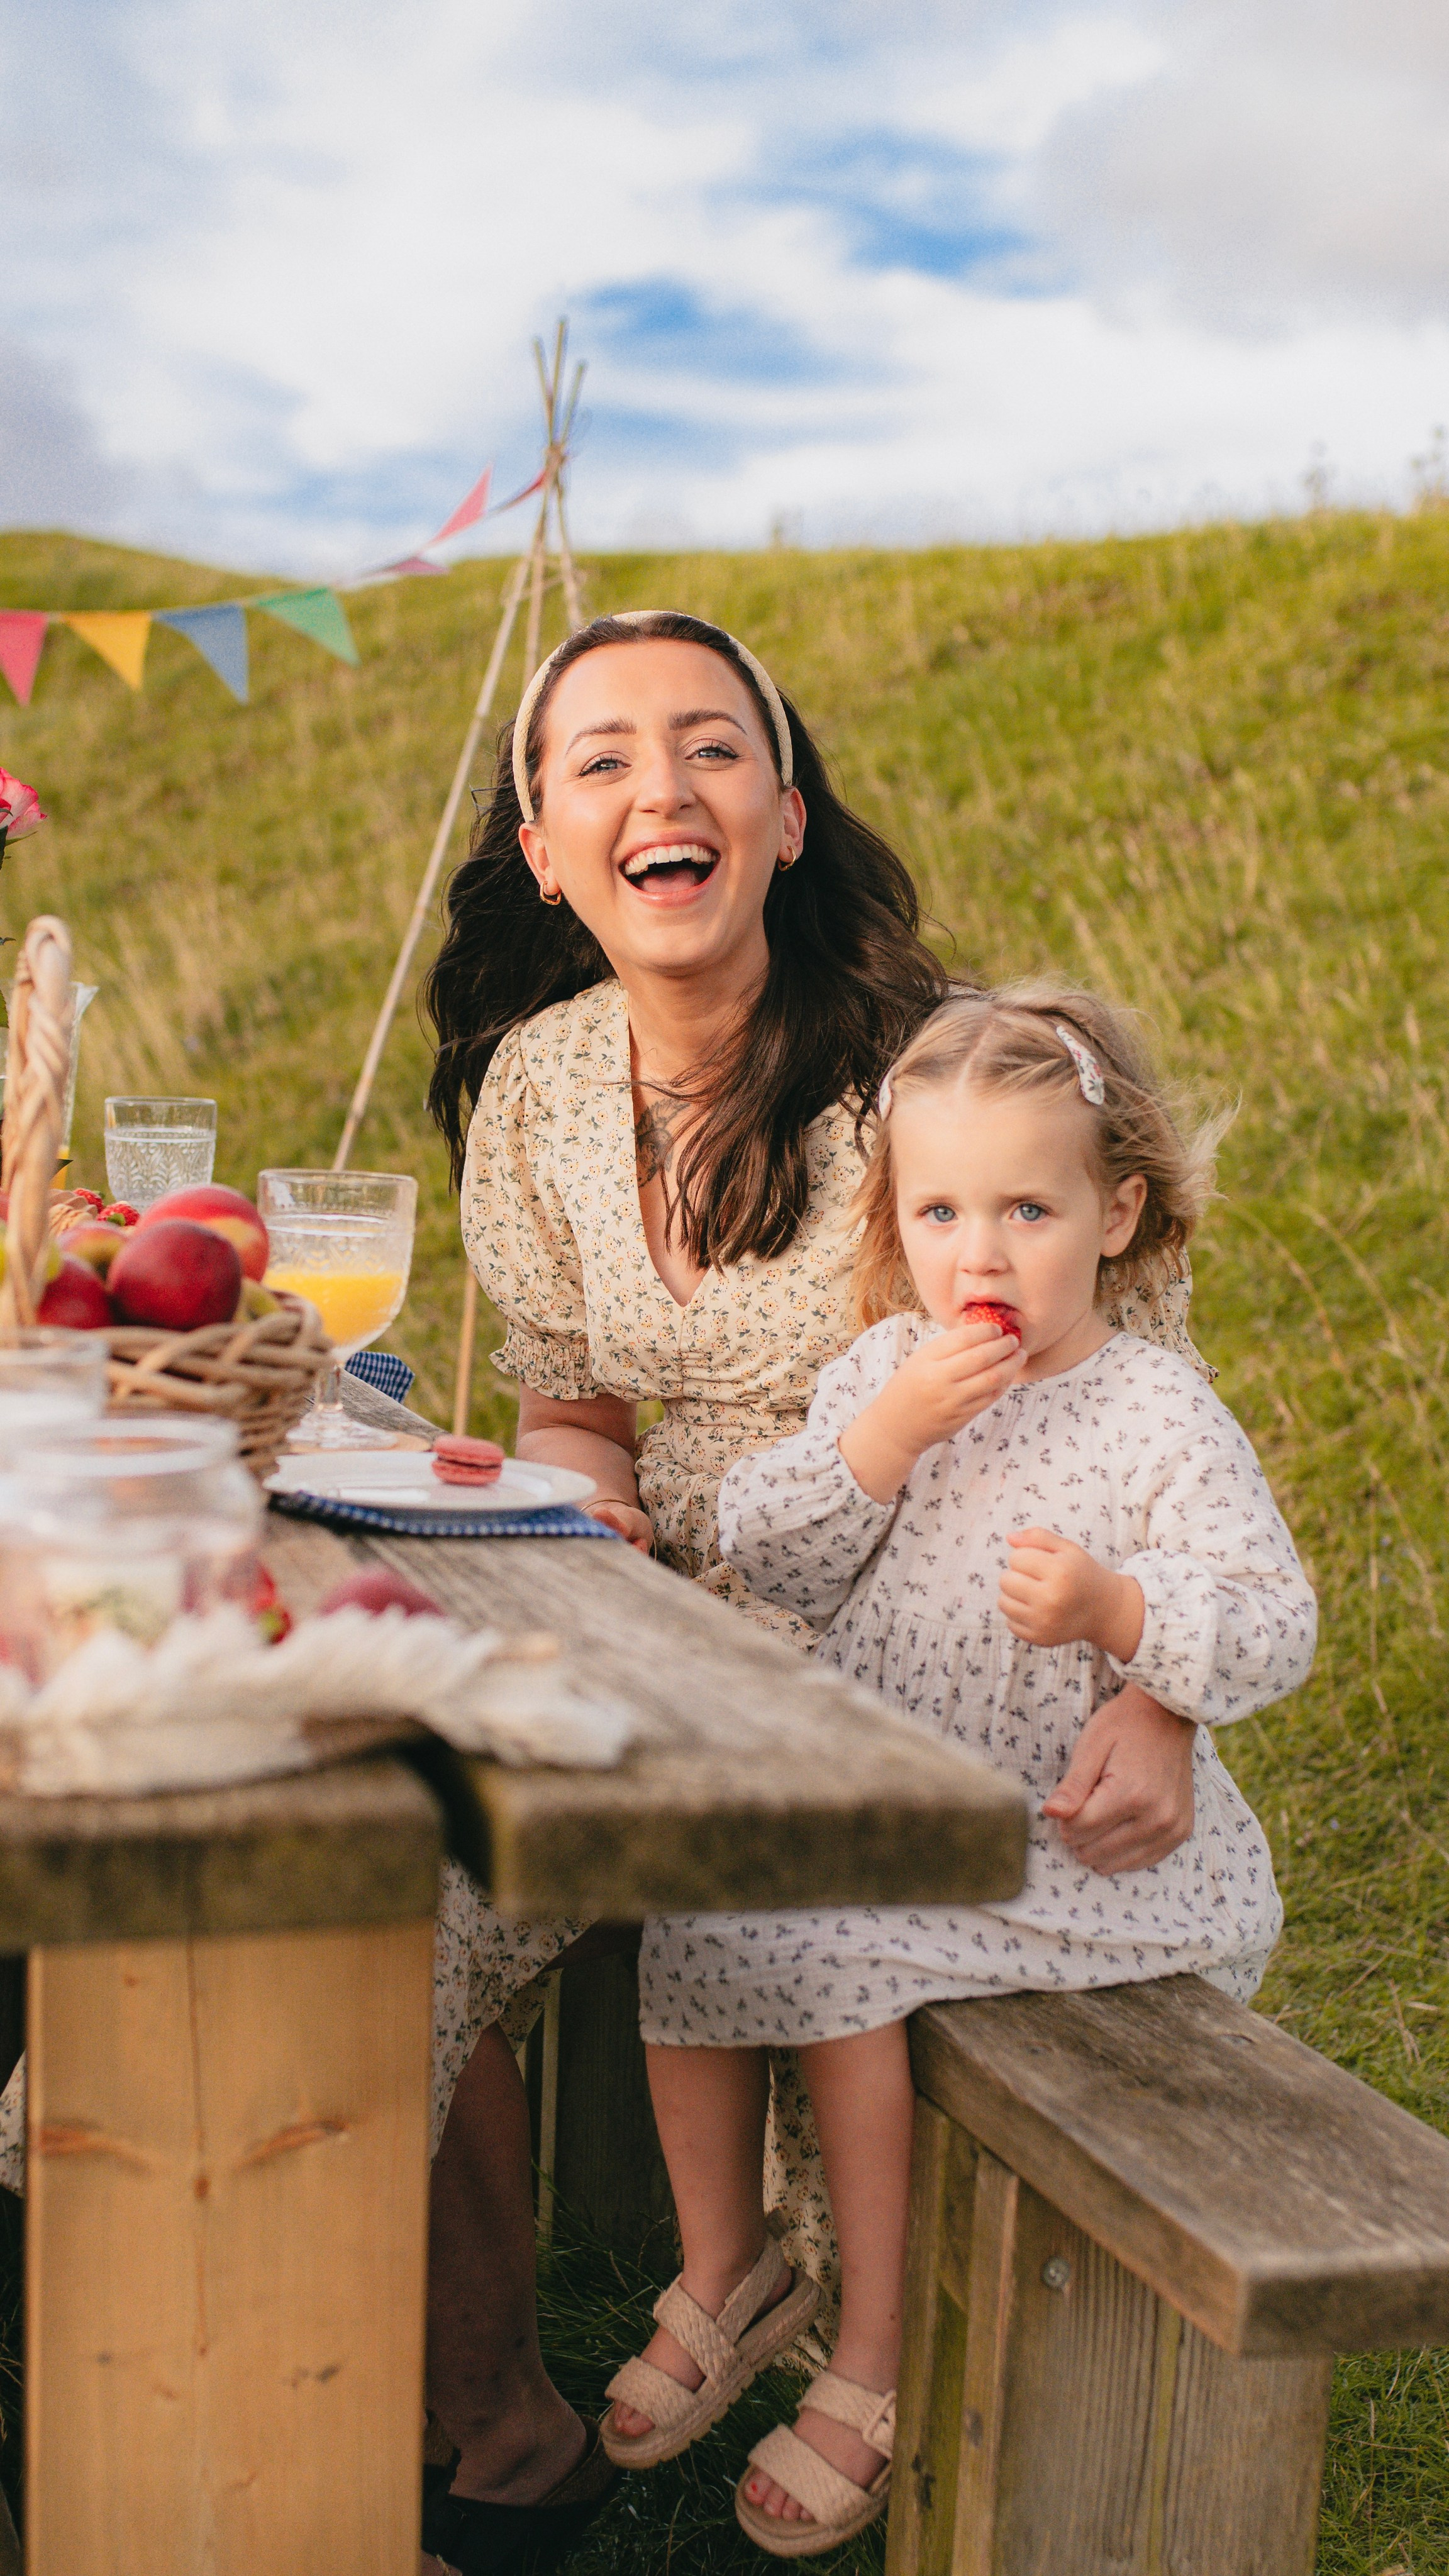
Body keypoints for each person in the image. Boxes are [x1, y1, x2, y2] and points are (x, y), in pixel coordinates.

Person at [419, 613, 1210, 2573]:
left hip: (911, 1653)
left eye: (708, 749)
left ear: (782, 812)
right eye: (599, 760)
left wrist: (1157, 1694)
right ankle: (478, 2414)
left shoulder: (932, 1082)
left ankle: (844, 2360)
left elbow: (1146, 1401)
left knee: (492, 1880)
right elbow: (573, 1402)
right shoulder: (537, 1089)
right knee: (392, 1857)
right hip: (651, 1630)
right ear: (541, 838)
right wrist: (581, 1508)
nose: (656, 790)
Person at [602, 984, 1316, 2556]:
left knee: (849, 1941)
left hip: (1074, 1856)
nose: (979, 1255)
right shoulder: (889, 1374)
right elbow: (769, 1553)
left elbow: (1275, 1623)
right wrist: (881, 1442)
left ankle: (871, 2351)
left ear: (1117, 1212)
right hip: (905, 1814)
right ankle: (730, 2263)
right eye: (940, 1209)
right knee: (698, 1901)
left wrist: (1124, 1614)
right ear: (898, 1219)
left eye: (1027, 1208)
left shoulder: (1153, 1411)